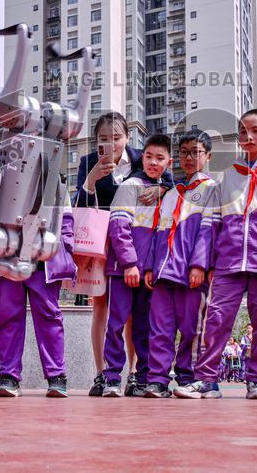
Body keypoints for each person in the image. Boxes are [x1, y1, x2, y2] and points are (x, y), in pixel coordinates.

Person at [194, 109, 257, 400]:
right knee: (215, 318)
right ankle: (206, 379)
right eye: (242, 132)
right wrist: (205, 262)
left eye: (255, 131)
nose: (248, 137)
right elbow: (210, 225)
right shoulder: (225, 178)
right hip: (227, 261)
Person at [74, 112, 173, 397]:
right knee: (102, 307)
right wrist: (90, 182)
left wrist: (159, 188)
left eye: (116, 138)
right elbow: (79, 206)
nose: (111, 144)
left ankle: (133, 373)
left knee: (134, 314)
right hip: (100, 240)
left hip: (135, 242)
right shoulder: (87, 162)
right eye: (103, 139)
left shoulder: (144, 157)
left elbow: (172, 184)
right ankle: (102, 373)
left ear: (128, 137)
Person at [143, 130, 218, 399]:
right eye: (184, 152)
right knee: (160, 328)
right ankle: (158, 379)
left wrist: (199, 264)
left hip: (190, 274)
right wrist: (151, 265)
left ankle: (190, 377)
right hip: (164, 271)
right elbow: (158, 232)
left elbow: (208, 231)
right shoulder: (172, 193)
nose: (189, 157)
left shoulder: (212, 190)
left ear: (207, 156)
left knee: (192, 328)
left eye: (195, 152)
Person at [100, 133, 172, 397]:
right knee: (116, 324)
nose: (153, 162)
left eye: (160, 158)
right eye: (149, 156)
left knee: (145, 327)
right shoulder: (130, 186)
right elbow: (118, 227)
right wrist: (129, 264)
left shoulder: (166, 193)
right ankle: (110, 378)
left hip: (148, 275)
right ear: (142, 157)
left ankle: (142, 378)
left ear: (168, 162)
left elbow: (162, 236)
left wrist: (151, 268)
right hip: (122, 271)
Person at [0, 193, 76, 398]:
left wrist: (65, 251)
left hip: (44, 261)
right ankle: (9, 376)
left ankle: (57, 376)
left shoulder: (55, 182)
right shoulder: (5, 177)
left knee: (49, 317)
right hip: (9, 257)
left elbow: (66, 221)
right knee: (8, 317)